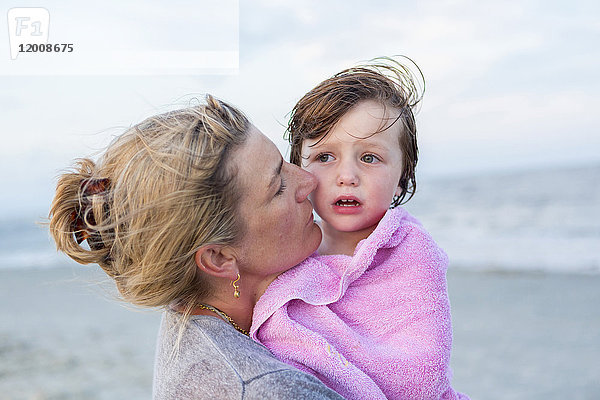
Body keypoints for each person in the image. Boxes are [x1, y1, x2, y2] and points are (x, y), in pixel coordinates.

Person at [48, 95, 345, 399]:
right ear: (218, 258)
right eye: (278, 185)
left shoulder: (192, 317)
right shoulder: (268, 389)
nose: (308, 180)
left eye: (283, 162)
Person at [250, 58, 469, 399]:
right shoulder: (288, 249)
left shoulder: (412, 252)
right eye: (325, 157)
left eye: (369, 158)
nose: (347, 176)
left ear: (401, 179)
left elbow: (422, 370)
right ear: (300, 171)